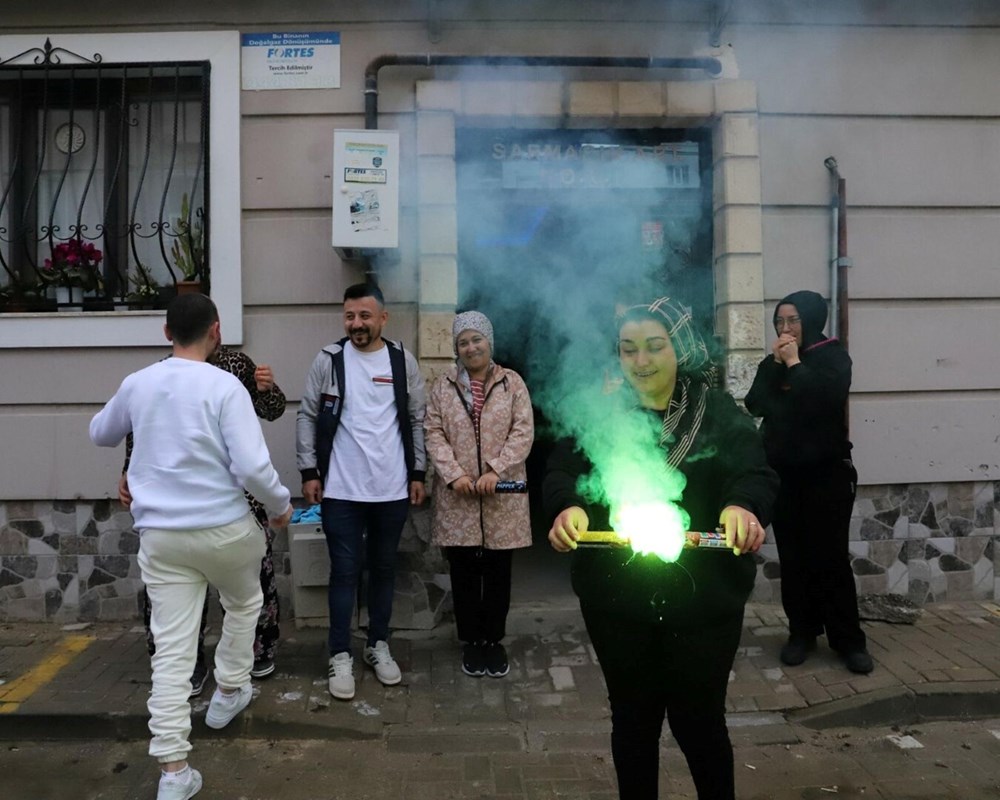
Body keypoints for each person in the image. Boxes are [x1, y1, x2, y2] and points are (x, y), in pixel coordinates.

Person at [545, 297, 778, 800]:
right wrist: (568, 506)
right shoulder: (599, 411)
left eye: (654, 347)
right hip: (618, 600)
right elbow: (562, 470)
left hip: (704, 600)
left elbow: (753, 471)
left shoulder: (714, 411)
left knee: (700, 723)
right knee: (633, 721)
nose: (642, 361)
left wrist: (742, 506)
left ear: (681, 348)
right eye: (628, 350)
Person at [90, 293, 292, 800]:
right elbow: (251, 467)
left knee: (172, 653)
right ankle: (228, 689)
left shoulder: (139, 383)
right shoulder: (226, 385)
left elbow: (99, 433)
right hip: (225, 528)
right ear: (216, 331)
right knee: (246, 601)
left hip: (162, 537)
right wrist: (280, 506)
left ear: (165, 333)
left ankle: (174, 772)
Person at [120, 345, 286, 697]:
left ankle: (253, 655)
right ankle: (186, 666)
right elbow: (139, 430)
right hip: (174, 501)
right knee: (177, 591)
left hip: (239, 498)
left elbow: (273, 411)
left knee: (253, 583)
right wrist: (128, 473)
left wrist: (266, 389)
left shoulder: (236, 364)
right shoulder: (160, 374)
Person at [296, 282, 427, 700]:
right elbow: (307, 415)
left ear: (382, 318)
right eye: (350, 316)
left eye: (365, 316)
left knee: (384, 570)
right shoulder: (329, 360)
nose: (357, 324)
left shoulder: (402, 361)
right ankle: (339, 654)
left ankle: (378, 645)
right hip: (341, 490)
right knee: (345, 573)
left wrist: (418, 472)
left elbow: (418, 420)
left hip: (391, 490)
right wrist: (308, 471)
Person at [744, 290, 873, 675]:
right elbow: (754, 403)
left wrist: (795, 365)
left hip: (827, 474)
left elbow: (823, 398)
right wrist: (776, 367)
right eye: (780, 322)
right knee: (795, 558)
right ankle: (801, 633)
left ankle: (848, 641)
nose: (785, 329)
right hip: (784, 475)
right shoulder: (774, 364)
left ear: (812, 320)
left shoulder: (834, 358)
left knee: (830, 558)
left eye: (793, 321)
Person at [424, 311, 534, 678]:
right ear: (456, 349)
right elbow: (433, 432)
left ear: (489, 342)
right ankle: (471, 642)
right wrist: (454, 475)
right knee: (465, 573)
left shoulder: (512, 383)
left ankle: (494, 642)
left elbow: (523, 431)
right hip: (460, 499)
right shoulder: (443, 386)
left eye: (477, 340)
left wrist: (496, 469)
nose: (471, 348)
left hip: (501, 496)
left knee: (498, 573)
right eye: (463, 342)